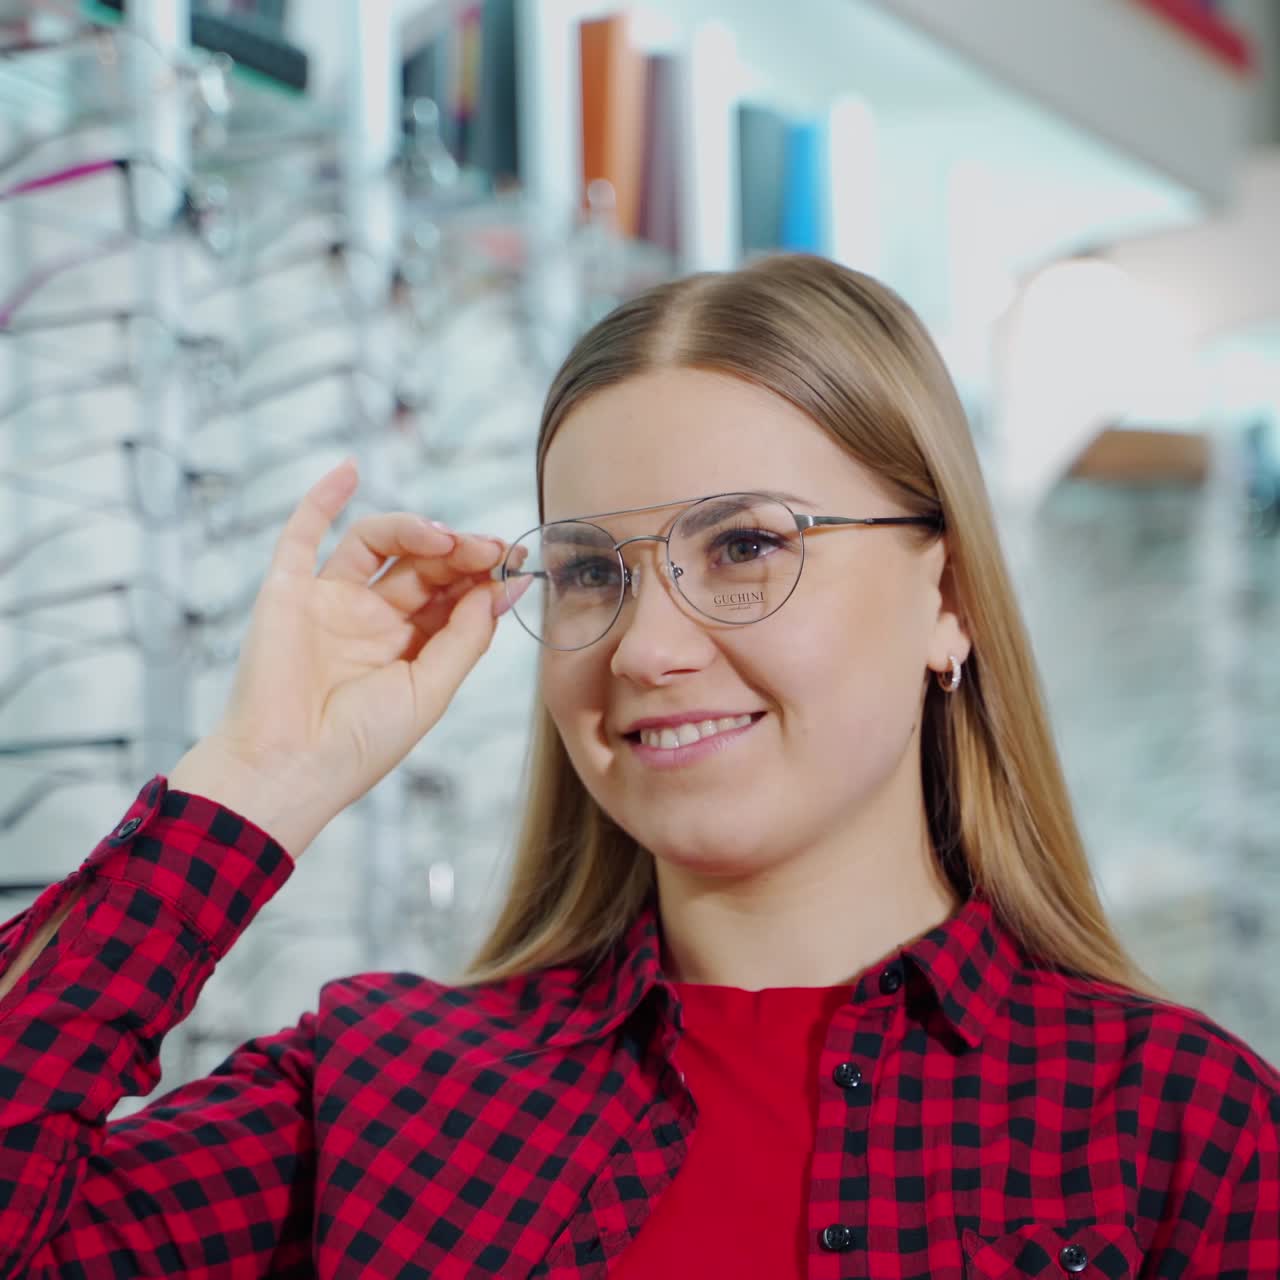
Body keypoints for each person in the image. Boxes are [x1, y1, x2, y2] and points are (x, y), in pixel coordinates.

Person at [0, 254, 1275, 1279]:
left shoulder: (1180, 1125)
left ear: (947, 599)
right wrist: (258, 777)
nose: (647, 648)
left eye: (745, 547)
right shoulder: (380, 1088)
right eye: (589, 570)